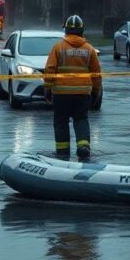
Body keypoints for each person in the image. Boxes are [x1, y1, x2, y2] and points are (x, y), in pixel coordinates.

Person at [44, 15, 102, 162]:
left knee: (61, 122)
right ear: (82, 31)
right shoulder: (89, 49)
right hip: (83, 94)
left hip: (61, 95)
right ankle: (83, 148)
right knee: (81, 119)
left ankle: (62, 153)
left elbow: (50, 69)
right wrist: (96, 92)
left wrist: (47, 89)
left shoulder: (58, 47)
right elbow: (96, 74)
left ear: (66, 30)